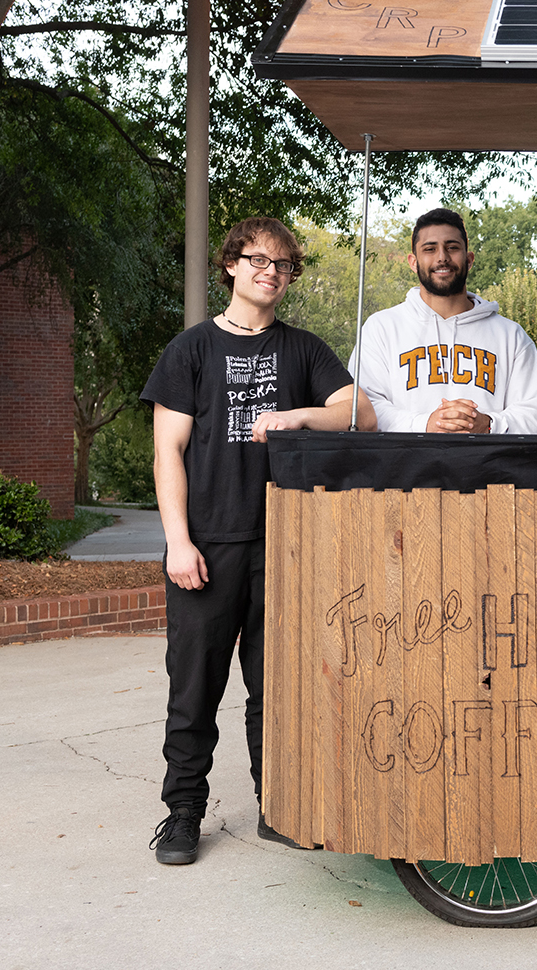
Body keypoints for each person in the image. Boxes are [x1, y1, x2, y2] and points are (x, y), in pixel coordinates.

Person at [142, 217, 376, 865]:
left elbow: (360, 410)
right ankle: (183, 812)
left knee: (275, 690)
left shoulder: (301, 351)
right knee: (193, 691)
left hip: (283, 550)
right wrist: (177, 541)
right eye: (256, 259)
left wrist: (299, 414)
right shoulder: (190, 352)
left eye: (281, 264)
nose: (269, 271)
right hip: (208, 549)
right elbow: (168, 452)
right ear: (231, 266)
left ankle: (277, 805)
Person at [352, 208, 537, 434]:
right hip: (407, 467)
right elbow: (363, 410)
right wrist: (426, 424)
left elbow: (535, 412)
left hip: (486, 467)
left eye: (452, 247)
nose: (442, 257)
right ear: (413, 262)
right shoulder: (381, 329)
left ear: (469, 259)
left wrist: (488, 424)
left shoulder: (511, 335)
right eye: (430, 249)